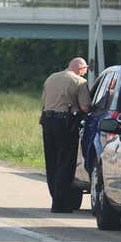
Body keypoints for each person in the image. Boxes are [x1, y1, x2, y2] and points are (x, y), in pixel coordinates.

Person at [40, 57, 91, 213]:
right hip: (65, 124)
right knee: (66, 162)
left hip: (47, 121)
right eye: (85, 70)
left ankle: (56, 197)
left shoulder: (51, 78)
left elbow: (44, 102)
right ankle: (60, 204)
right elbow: (85, 106)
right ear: (81, 68)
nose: (85, 73)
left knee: (52, 162)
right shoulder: (79, 82)